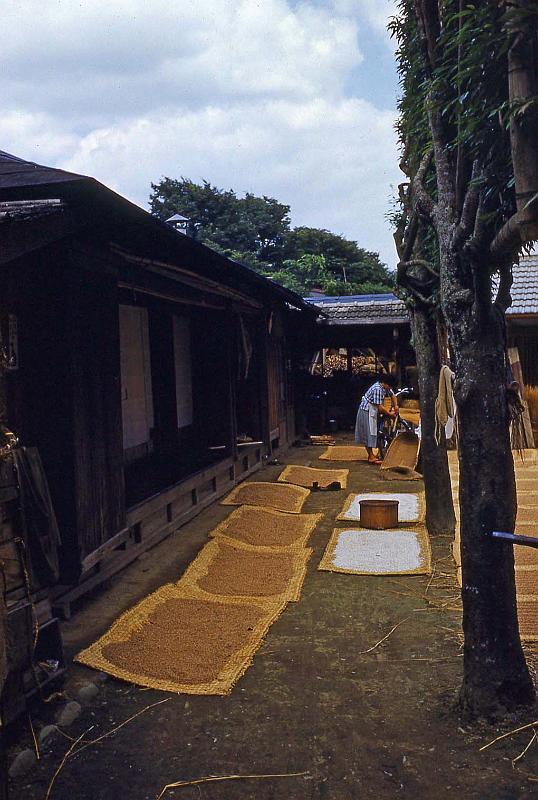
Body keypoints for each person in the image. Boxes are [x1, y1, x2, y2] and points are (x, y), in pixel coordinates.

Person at [355, 374, 398, 464]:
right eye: (389, 386)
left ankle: (375, 454)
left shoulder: (385, 388)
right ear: (385, 384)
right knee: (368, 432)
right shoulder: (377, 389)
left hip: (373, 411)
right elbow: (380, 408)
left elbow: (392, 395)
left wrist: (396, 406)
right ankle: (371, 456)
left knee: (373, 431)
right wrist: (390, 414)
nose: (389, 388)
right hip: (366, 411)